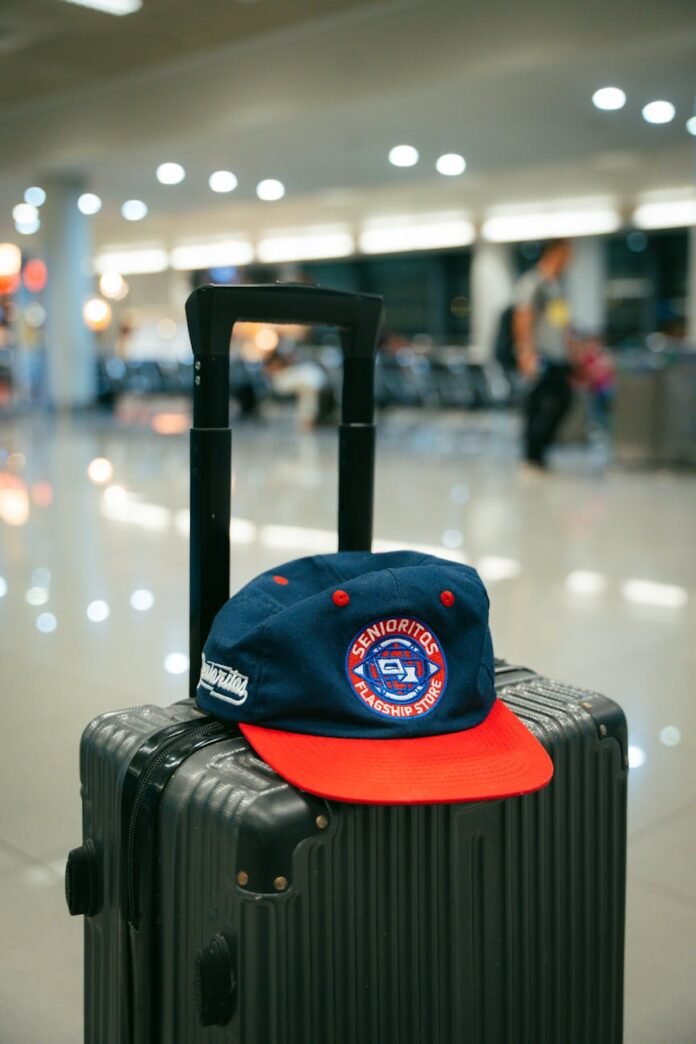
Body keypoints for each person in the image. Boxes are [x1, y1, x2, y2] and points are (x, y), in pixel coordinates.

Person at [513, 239, 574, 468]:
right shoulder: (533, 282)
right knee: (536, 406)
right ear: (555, 252)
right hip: (540, 356)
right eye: (568, 254)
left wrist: (571, 351)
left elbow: (562, 323)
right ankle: (532, 455)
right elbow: (523, 317)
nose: (571, 260)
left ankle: (540, 450)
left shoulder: (558, 286)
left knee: (564, 402)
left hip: (559, 356)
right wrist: (526, 353)